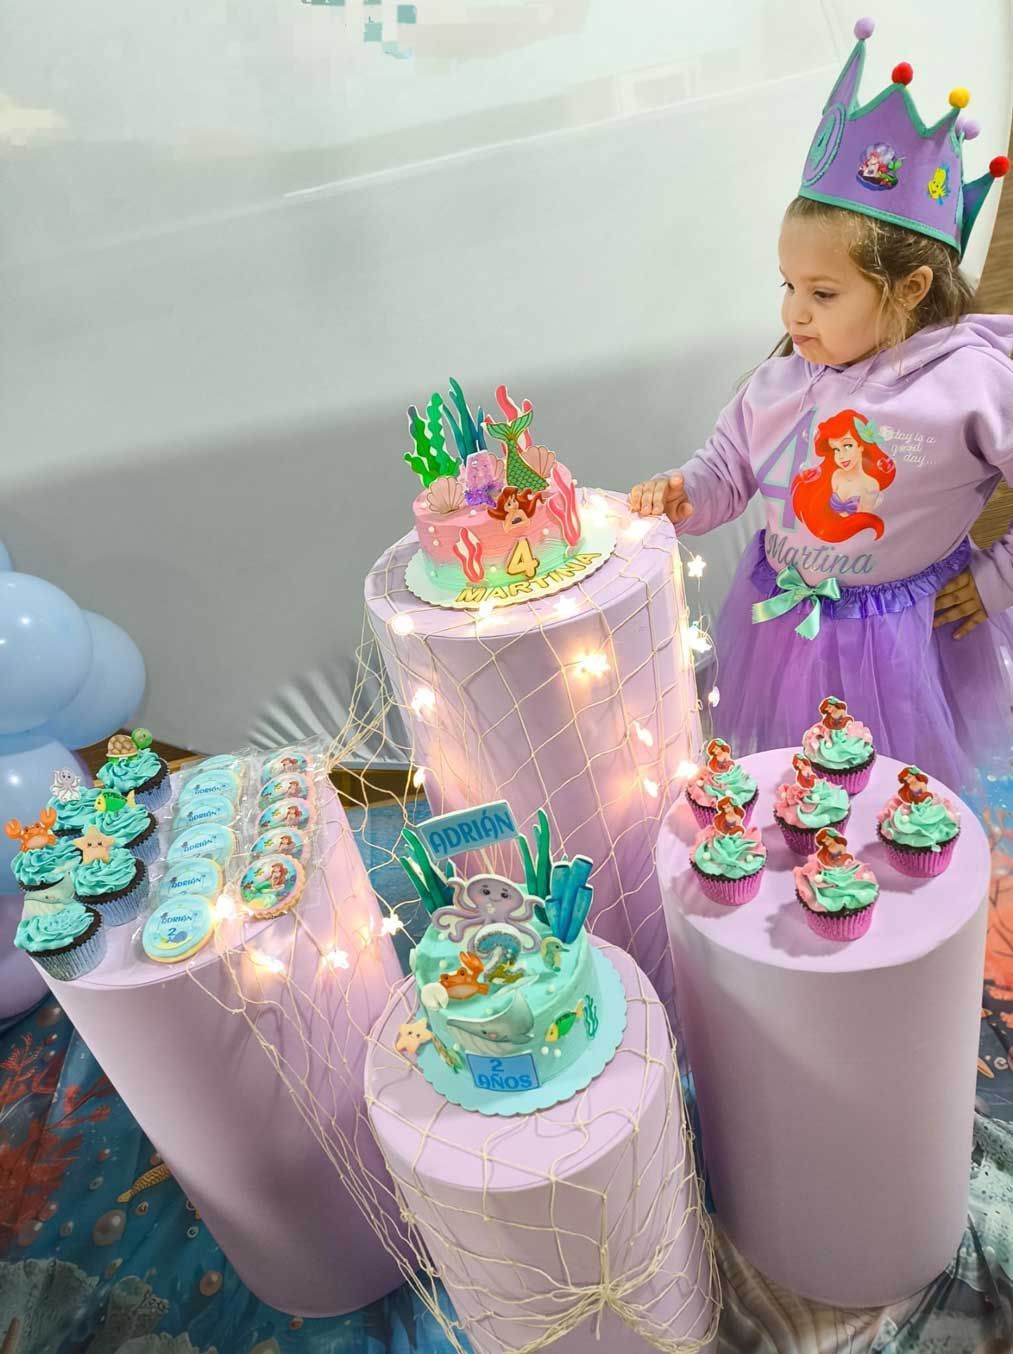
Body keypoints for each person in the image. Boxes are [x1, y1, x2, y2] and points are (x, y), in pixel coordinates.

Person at [629, 19, 1012, 792]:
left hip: (903, 637)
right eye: (788, 286)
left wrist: (1000, 578)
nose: (793, 314)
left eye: (822, 293)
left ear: (909, 289)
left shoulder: (968, 381)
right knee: (797, 779)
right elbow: (729, 467)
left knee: (902, 795)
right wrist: (684, 493)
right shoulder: (779, 382)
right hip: (785, 626)